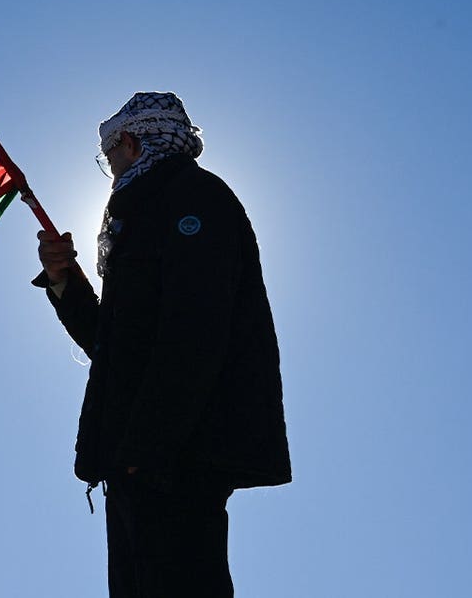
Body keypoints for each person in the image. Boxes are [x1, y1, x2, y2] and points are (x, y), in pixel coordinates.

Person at [34, 92, 291, 597]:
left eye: (109, 155)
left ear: (130, 143)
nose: (110, 169)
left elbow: (195, 333)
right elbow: (116, 345)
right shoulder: (144, 214)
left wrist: (147, 448)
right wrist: (63, 278)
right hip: (139, 457)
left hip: (174, 457)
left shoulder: (193, 199)